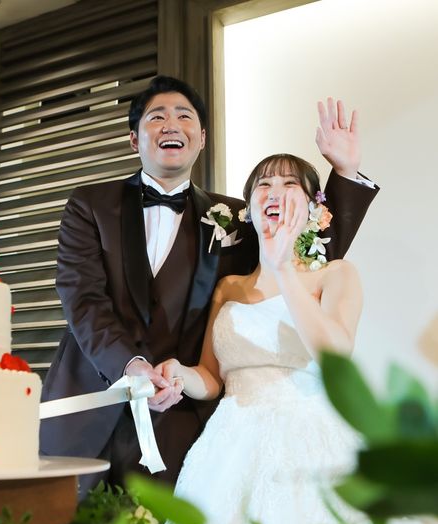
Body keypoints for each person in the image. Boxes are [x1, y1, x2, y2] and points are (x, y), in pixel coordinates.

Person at [39, 75, 378, 497]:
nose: (171, 124)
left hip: (179, 421)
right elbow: (83, 300)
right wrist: (130, 364)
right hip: (89, 405)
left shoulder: (235, 216)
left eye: (184, 116)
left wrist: (344, 172)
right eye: (156, 117)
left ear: (201, 139)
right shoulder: (90, 205)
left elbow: (303, 251)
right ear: (133, 138)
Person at [160, 153, 364, 524]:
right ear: (249, 210)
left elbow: (335, 357)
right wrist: (178, 373)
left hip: (307, 438)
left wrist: (283, 268)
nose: (275, 192)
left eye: (290, 184)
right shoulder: (229, 288)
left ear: (315, 209)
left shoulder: (336, 274)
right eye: (264, 185)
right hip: (228, 444)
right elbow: (212, 377)